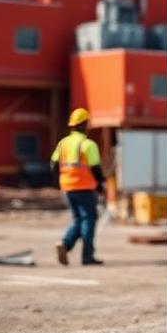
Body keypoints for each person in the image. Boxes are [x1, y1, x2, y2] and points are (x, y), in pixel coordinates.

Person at [51, 108, 105, 266]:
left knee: (78, 219)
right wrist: (100, 184)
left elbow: (53, 164)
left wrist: (62, 180)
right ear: (84, 124)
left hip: (67, 188)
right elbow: (95, 168)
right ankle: (87, 256)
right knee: (89, 219)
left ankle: (66, 244)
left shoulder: (63, 143)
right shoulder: (88, 145)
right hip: (85, 188)